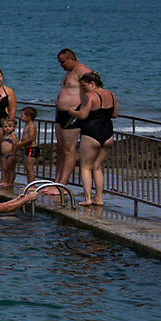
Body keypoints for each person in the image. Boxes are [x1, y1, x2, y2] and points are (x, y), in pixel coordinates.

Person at [74, 70, 117, 211]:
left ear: (92, 84)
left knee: (86, 167)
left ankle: (87, 198)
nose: (83, 89)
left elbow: (82, 115)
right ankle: (99, 198)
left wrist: (71, 111)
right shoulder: (112, 94)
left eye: (84, 86)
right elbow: (115, 114)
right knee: (98, 167)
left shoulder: (90, 96)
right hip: (108, 132)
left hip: (91, 132)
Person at [53, 48, 86, 170]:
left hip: (72, 114)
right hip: (61, 113)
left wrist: (82, 110)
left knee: (68, 150)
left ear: (71, 59)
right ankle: (57, 182)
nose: (61, 65)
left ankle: (62, 184)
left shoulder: (82, 71)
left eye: (63, 62)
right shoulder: (69, 72)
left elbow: (92, 90)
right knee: (61, 148)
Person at [0, 104, 40, 196]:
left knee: (29, 168)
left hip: (32, 149)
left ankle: (32, 185)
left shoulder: (32, 126)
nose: (21, 117)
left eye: (22, 115)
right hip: (28, 148)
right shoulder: (27, 125)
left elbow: (30, 139)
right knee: (27, 167)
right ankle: (30, 184)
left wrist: (19, 144)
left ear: (28, 117)